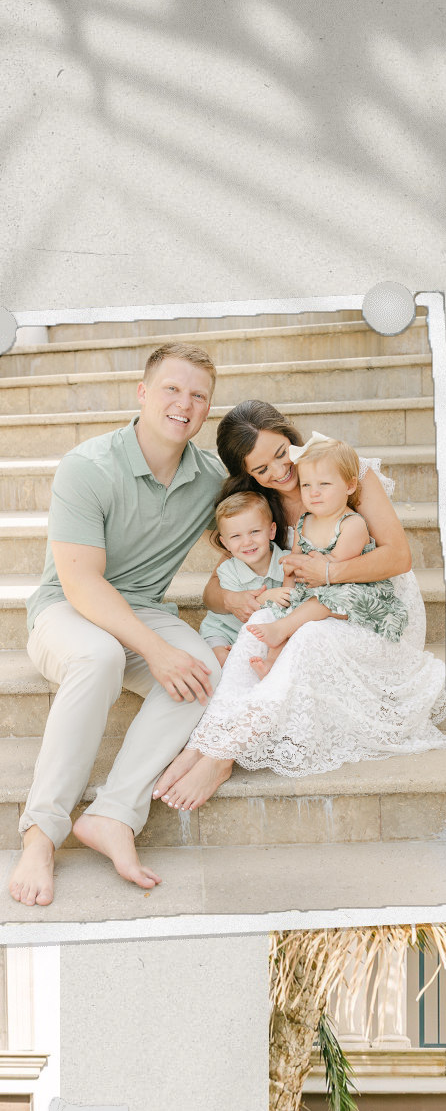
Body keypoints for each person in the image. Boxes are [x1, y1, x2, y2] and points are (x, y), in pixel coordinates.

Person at [7, 342, 226, 907]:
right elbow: (80, 583)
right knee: (99, 657)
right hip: (66, 611)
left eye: (199, 395)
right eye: (172, 389)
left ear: (207, 410)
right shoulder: (88, 466)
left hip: (143, 608)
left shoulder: (210, 480)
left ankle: (112, 816)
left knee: (204, 671)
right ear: (143, 393)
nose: (185, 403)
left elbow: (271, 512)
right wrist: (155, 650)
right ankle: (41, 833)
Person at [153, 432, 446, 805]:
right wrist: (235, 597)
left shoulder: (336, 467)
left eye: (281, 455)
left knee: (307, 636)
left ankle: (221, 757)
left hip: (364, 601)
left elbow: (397, 558)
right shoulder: (261, 506)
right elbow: (215, 587)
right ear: (249, 474)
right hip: (310, 596)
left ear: (290, 440)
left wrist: (320, 575)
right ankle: (203, 742)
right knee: (259, 620)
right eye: (262, 468)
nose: (280, 471)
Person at [242, 438, 410, 678]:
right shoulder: (305, 521)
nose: (314, 493)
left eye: (324, 484)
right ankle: (271, 661)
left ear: (350, 486)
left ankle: (280, 630)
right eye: (307, 485)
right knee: (288, 610)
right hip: (313, 587)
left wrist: (300, 566)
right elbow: (293, 561)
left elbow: (335, 567)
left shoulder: (352, 524)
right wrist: (289, 590)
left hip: (349, 590)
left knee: (318, 603)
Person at [198, 489, 289, 668]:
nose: (247, 542)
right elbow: (246, 610)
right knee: (222, 660)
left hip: (267, 632)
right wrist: (270, 595)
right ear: (226, 544)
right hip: (225, 631)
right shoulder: (228, 571)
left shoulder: (287, 562)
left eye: (254, 531)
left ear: (271, 531)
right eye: (236, 536)